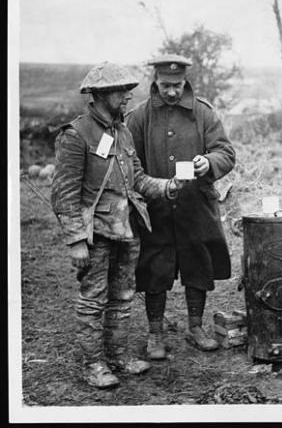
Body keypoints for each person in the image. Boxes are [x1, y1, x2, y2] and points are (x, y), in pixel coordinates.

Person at [51, 62, 184, 389]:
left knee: (123, 296)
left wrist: (166, 187)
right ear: (99, 94)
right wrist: (76, 240)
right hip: (96, 234)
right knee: (93, 299)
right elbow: (65, 192)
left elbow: (136, 178)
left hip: (128, 229)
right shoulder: (76, 134)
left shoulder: (121, 131)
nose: (128, 96)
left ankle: (119, 356)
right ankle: (94, 364)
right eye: (120, 90)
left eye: (128, 89)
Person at [126, 54, 236, 359]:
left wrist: (209, 162)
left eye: (177, 85)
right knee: (154, 269)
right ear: (156, 82)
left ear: (185, 81)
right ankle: (155, 334)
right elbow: (129, 163)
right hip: (156, 210)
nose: (172, 91)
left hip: (195, 208)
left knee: (198, 266)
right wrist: (154, 188)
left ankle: (195, 328)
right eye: (165, 85)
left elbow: (226, 152)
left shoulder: (203, 113)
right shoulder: (139, 117)